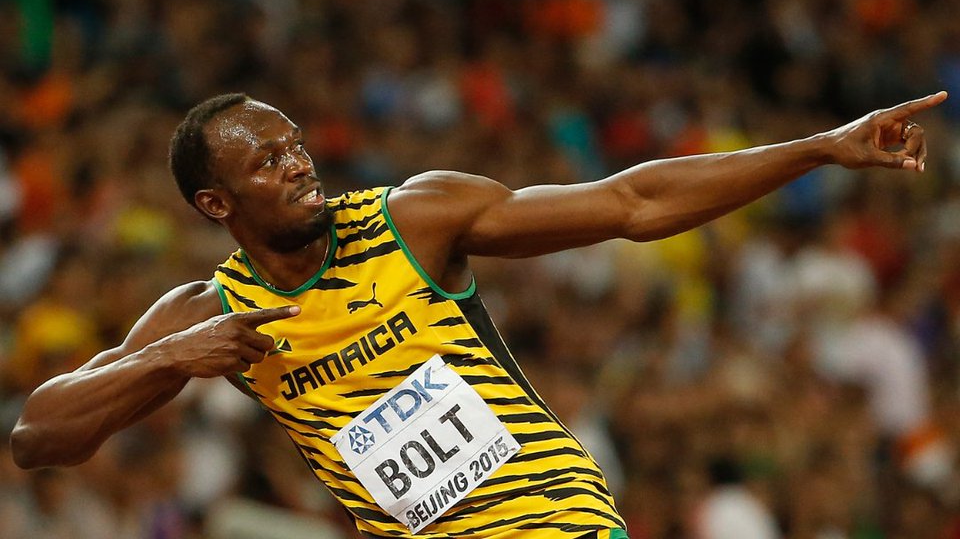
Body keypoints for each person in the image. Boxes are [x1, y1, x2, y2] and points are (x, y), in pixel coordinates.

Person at [11, 89, 945, 539]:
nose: (296, 164)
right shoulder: (209, 313)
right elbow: (35, 437)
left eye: (295, 145)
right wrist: (168, 361)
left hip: (553, 522)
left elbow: (632, 204)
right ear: (215, 204)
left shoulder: (413, 218)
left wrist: (819, 149)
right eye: (265, 162)